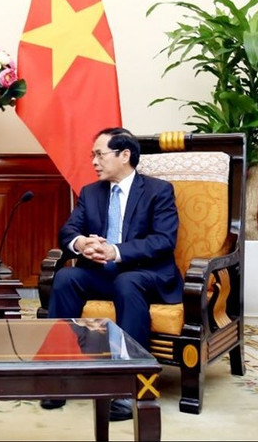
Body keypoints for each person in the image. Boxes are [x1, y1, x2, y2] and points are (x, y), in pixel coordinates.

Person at [40, 127, 181, 421]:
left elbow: (164, 240)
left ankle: (128, 387)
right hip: (103, 274)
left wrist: (115, 251)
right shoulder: (91, 193)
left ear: (124, 155)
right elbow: (68, 231)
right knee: (66, 278)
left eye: (100, 154)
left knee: (127, 282)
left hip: (146, 275)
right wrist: (82, 243)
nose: (94, 161)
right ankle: (58, 375)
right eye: (92, 155)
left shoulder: (158, 191)